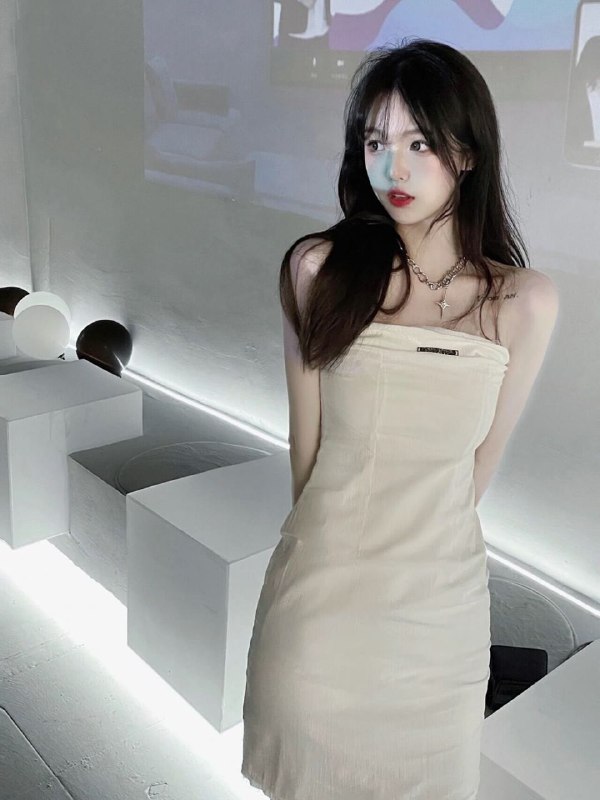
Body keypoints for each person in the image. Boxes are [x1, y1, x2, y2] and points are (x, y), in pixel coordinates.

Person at [242, 37, 559, 800]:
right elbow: (307, 458)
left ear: (468, 153)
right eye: (375, 142)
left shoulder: (523, 302)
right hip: (323, 608)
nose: (394, 169)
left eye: (420, 143)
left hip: (439, 624)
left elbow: (476, 471)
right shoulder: (319, 270)